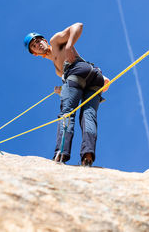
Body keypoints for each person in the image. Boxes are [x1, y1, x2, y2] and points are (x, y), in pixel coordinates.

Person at [23, 23, 110, 166]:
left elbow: (78, 26)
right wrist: (62, 91)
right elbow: (74, 86)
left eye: (38, 41)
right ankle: (87, 156)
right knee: (88, 114)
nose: (37, 44)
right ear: (35, 53)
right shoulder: (58, 71)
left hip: (80, 72)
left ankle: (60, 154)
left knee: (67, 112)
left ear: (44, 40)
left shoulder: (55, 41)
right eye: (34, 45)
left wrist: (69, 45)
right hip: (92, 77)